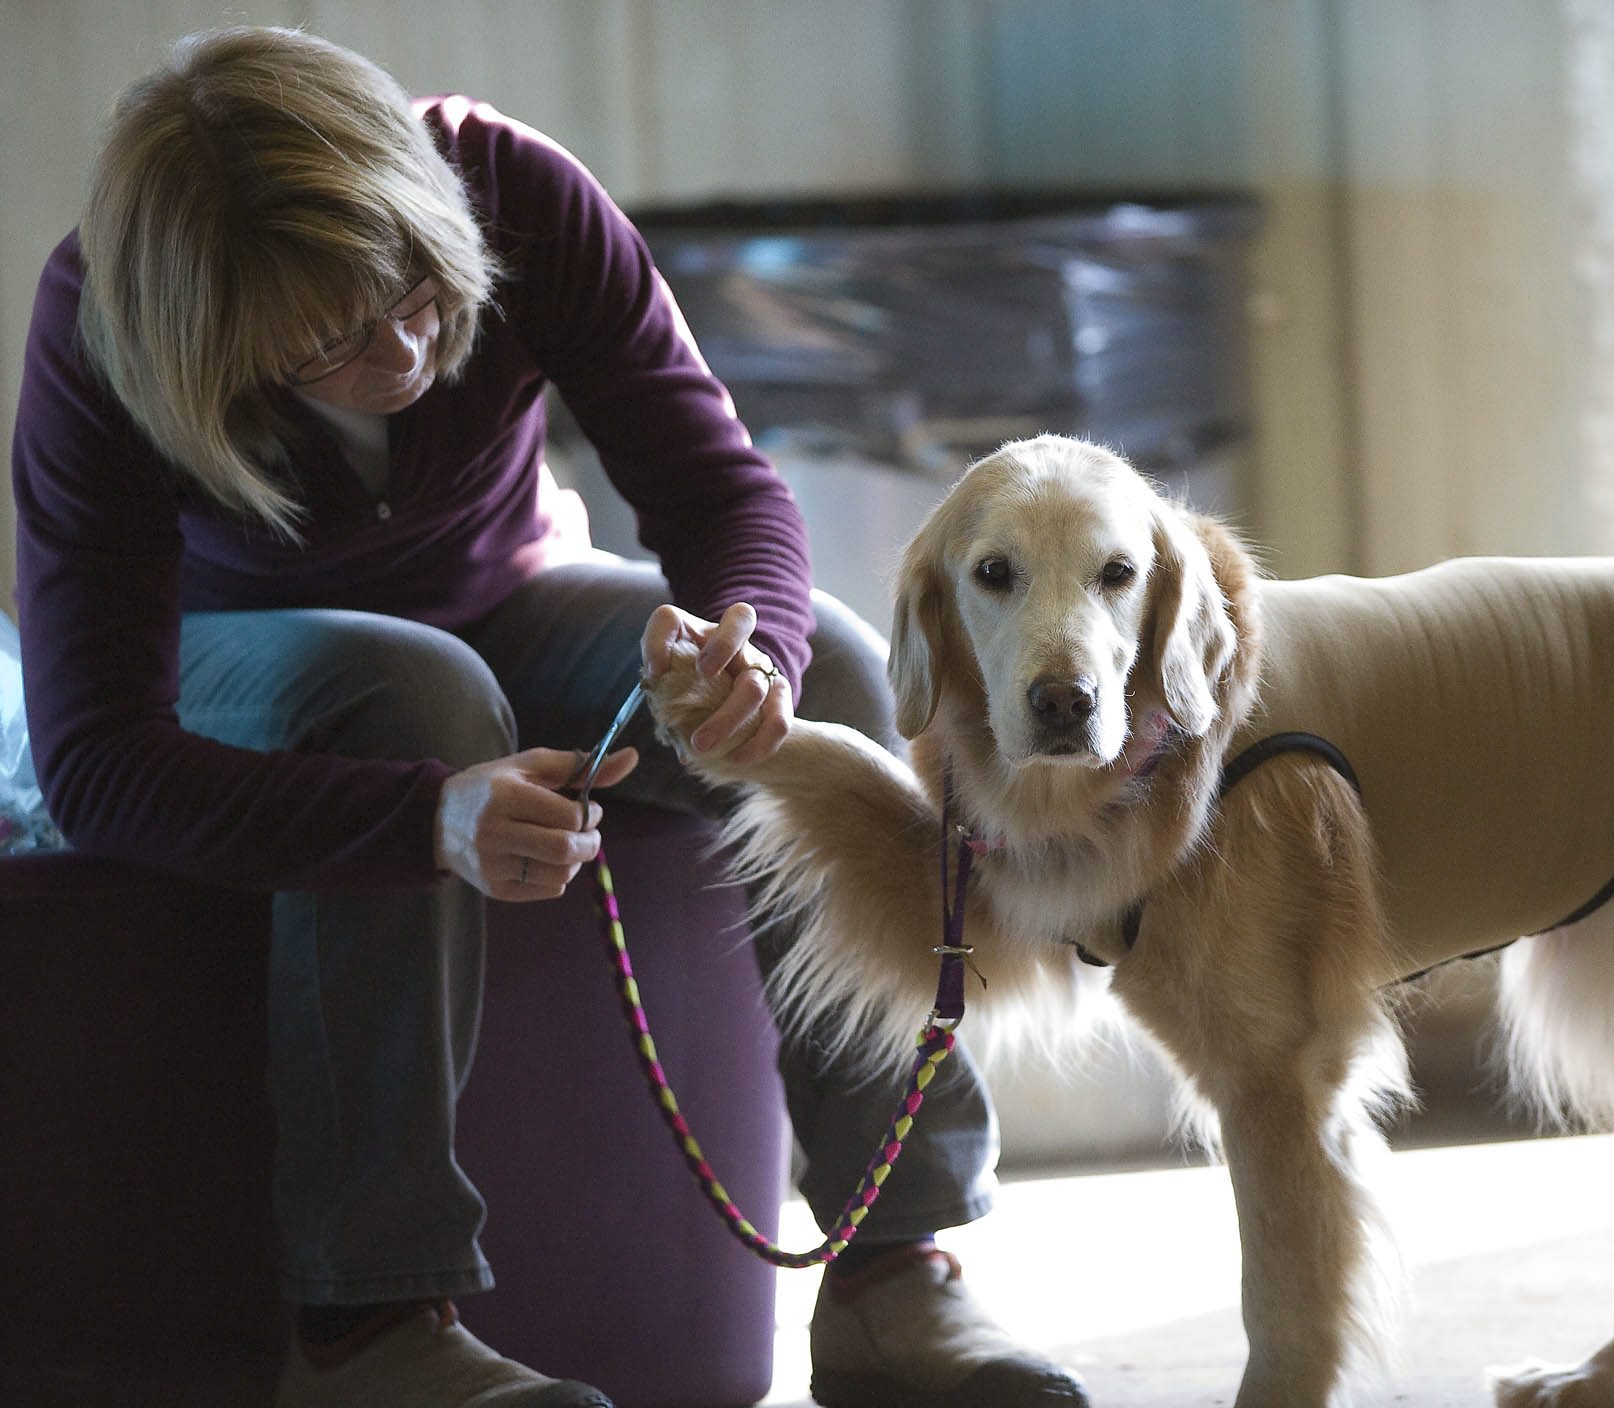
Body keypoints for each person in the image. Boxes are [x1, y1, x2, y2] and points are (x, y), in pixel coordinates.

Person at [11, 26, 1087, 1408]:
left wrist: (737, 635)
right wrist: (425, 816)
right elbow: (98, 761)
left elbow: (716, 488)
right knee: (403, 692)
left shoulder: (510, 183)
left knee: (826, 665)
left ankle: (896, 1268)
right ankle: (367, 1329)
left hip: (512, 585)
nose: (405, 349)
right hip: (249, 647)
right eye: (337, 341)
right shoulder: (100, 322)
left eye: (418, 295)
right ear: (216, 337)